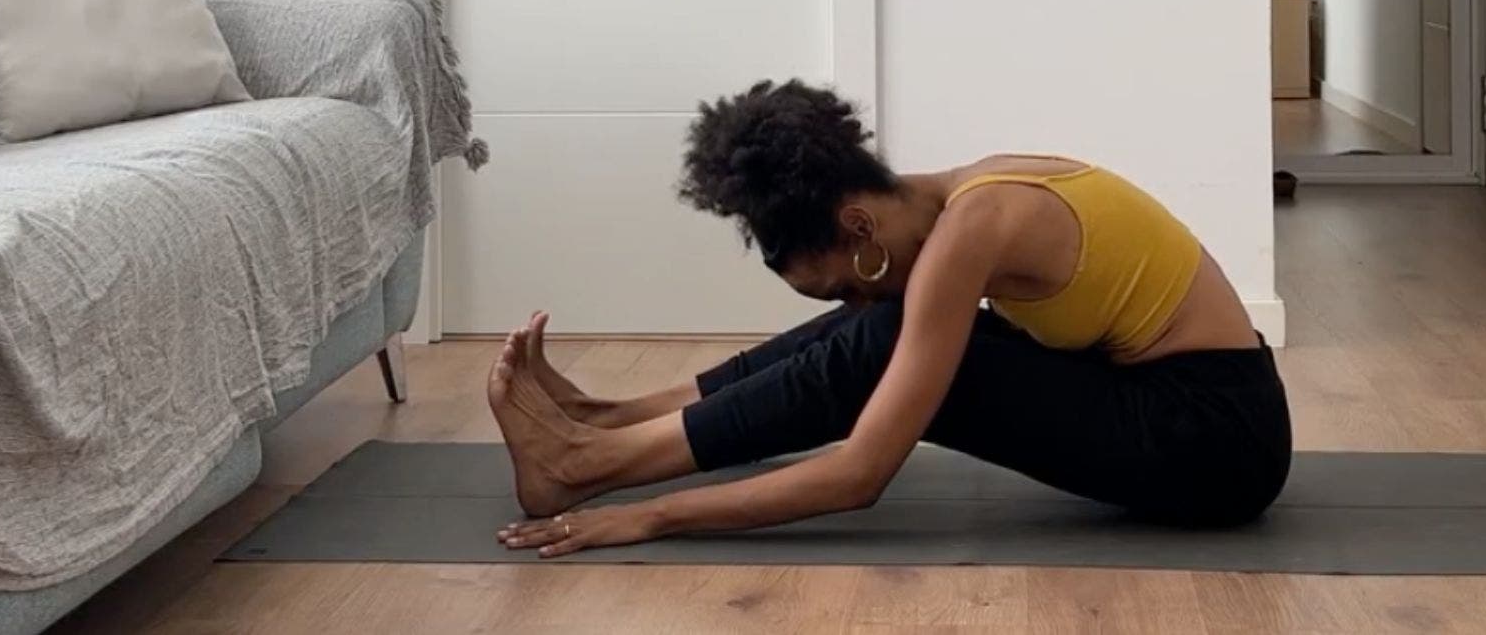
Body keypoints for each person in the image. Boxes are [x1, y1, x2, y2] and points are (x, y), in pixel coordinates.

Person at [485, 79, 1292, 556]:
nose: (854, 296)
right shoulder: (967, 193)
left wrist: (651, 519)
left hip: (1215, 443)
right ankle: (611, 418)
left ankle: (589, 468)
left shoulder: (975, 229)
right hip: (1180, 401)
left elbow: (856, 477)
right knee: (883, 326)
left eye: (840, 283)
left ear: (859, 226)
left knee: (883, 334)